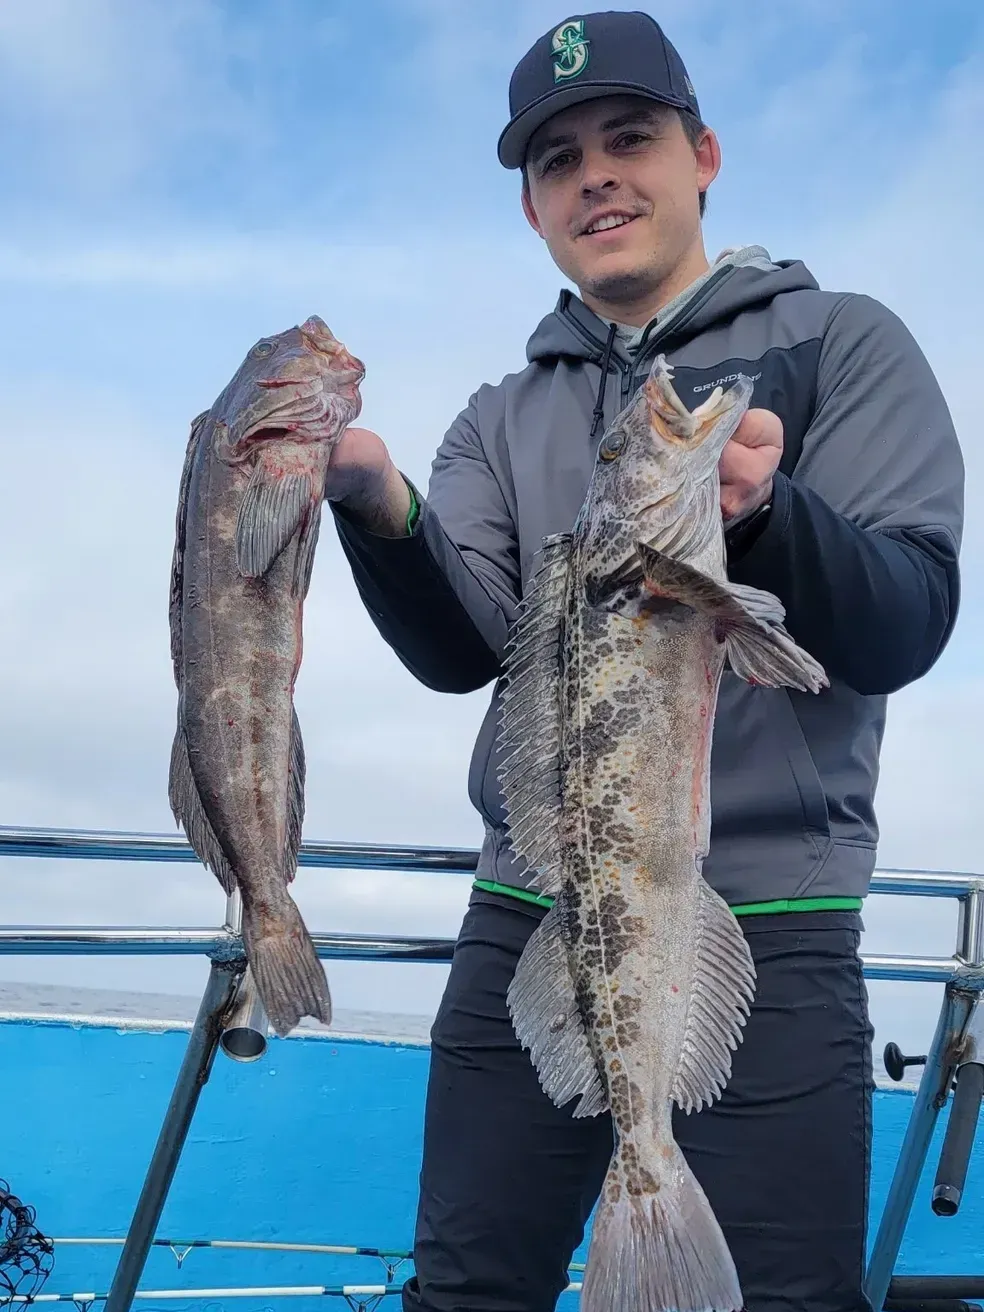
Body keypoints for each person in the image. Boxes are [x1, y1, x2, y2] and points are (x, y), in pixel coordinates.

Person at [324, 11, 965, 1311]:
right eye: (558, 160)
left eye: (630, 138)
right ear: (532, 210)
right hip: (534, 923)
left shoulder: (845, 344)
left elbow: (908, 619)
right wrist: (374, 505)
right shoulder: (496, 419)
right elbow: (469, 649)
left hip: (772, 929)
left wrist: (772, 516)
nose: (596, 173)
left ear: (704, 154)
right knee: (466, 1291)